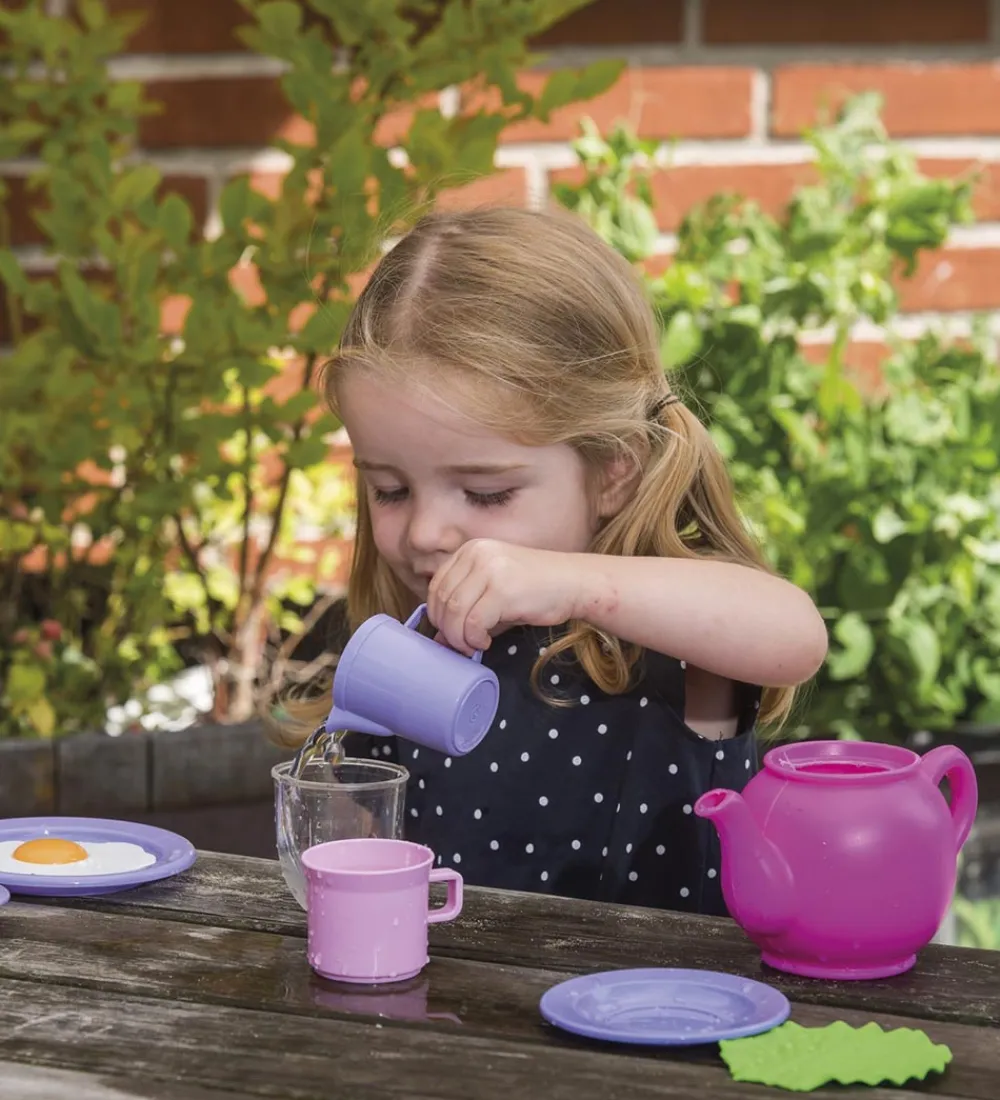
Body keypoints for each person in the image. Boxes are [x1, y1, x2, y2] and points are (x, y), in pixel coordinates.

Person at [280, 206, 828, 917]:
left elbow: (794, 635)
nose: (424, 531)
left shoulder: (667, 640)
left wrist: (574, 585)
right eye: (389, 489)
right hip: (450, 1017)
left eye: (485, 492)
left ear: (613, 472)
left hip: (655, 1011)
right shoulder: (410, 643)